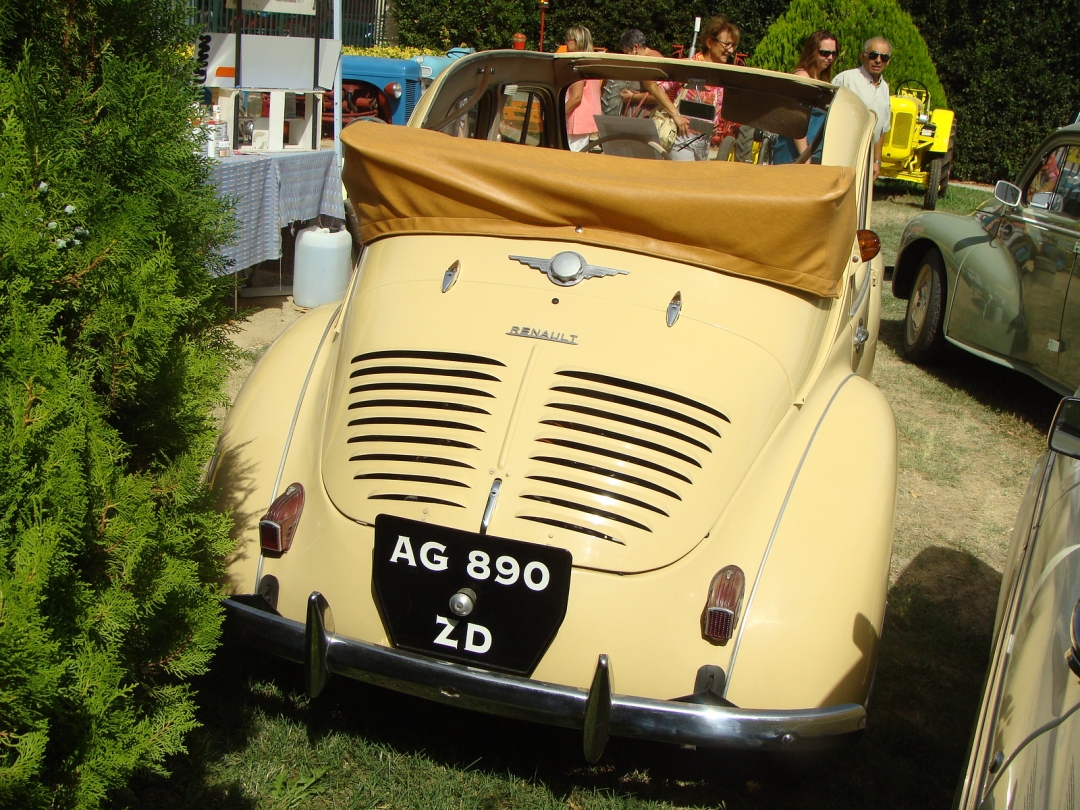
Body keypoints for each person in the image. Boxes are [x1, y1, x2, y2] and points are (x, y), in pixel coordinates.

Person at [640, 16, 741, 160]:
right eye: (726, 44)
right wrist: (675, 114)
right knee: (683, 175)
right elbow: (651, 84)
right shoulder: (688, 67)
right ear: (710, 43)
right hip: (683, 138)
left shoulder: (721, 75)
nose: (730, 50)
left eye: (733, 46)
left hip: (705, 141)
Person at [772, 30, 837, 163]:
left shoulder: (820, 80)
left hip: (812, 153)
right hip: (793, 155)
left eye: (833, 53)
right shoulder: (802, 77)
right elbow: (796, 120)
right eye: (825, 53)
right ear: (812, 51)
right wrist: (805, 157)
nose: (830, 57)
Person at [832, 37, 892, 179]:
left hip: (867, 161)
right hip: (843, 156)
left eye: (883, 57)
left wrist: (877, 161)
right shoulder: (846, 79)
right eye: (873, 55)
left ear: (888, 61)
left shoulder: (884, 88)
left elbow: (882, 129)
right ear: (863, 56)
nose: (878, 61)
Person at [564, 26, 602, 151]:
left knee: (572, 156)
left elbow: (576, 97)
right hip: (586, 119)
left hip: (577, 120)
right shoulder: (591, 63)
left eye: (569, 39)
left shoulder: (578, 65)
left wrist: (557, 115)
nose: (566, 42)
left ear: (578, 41)